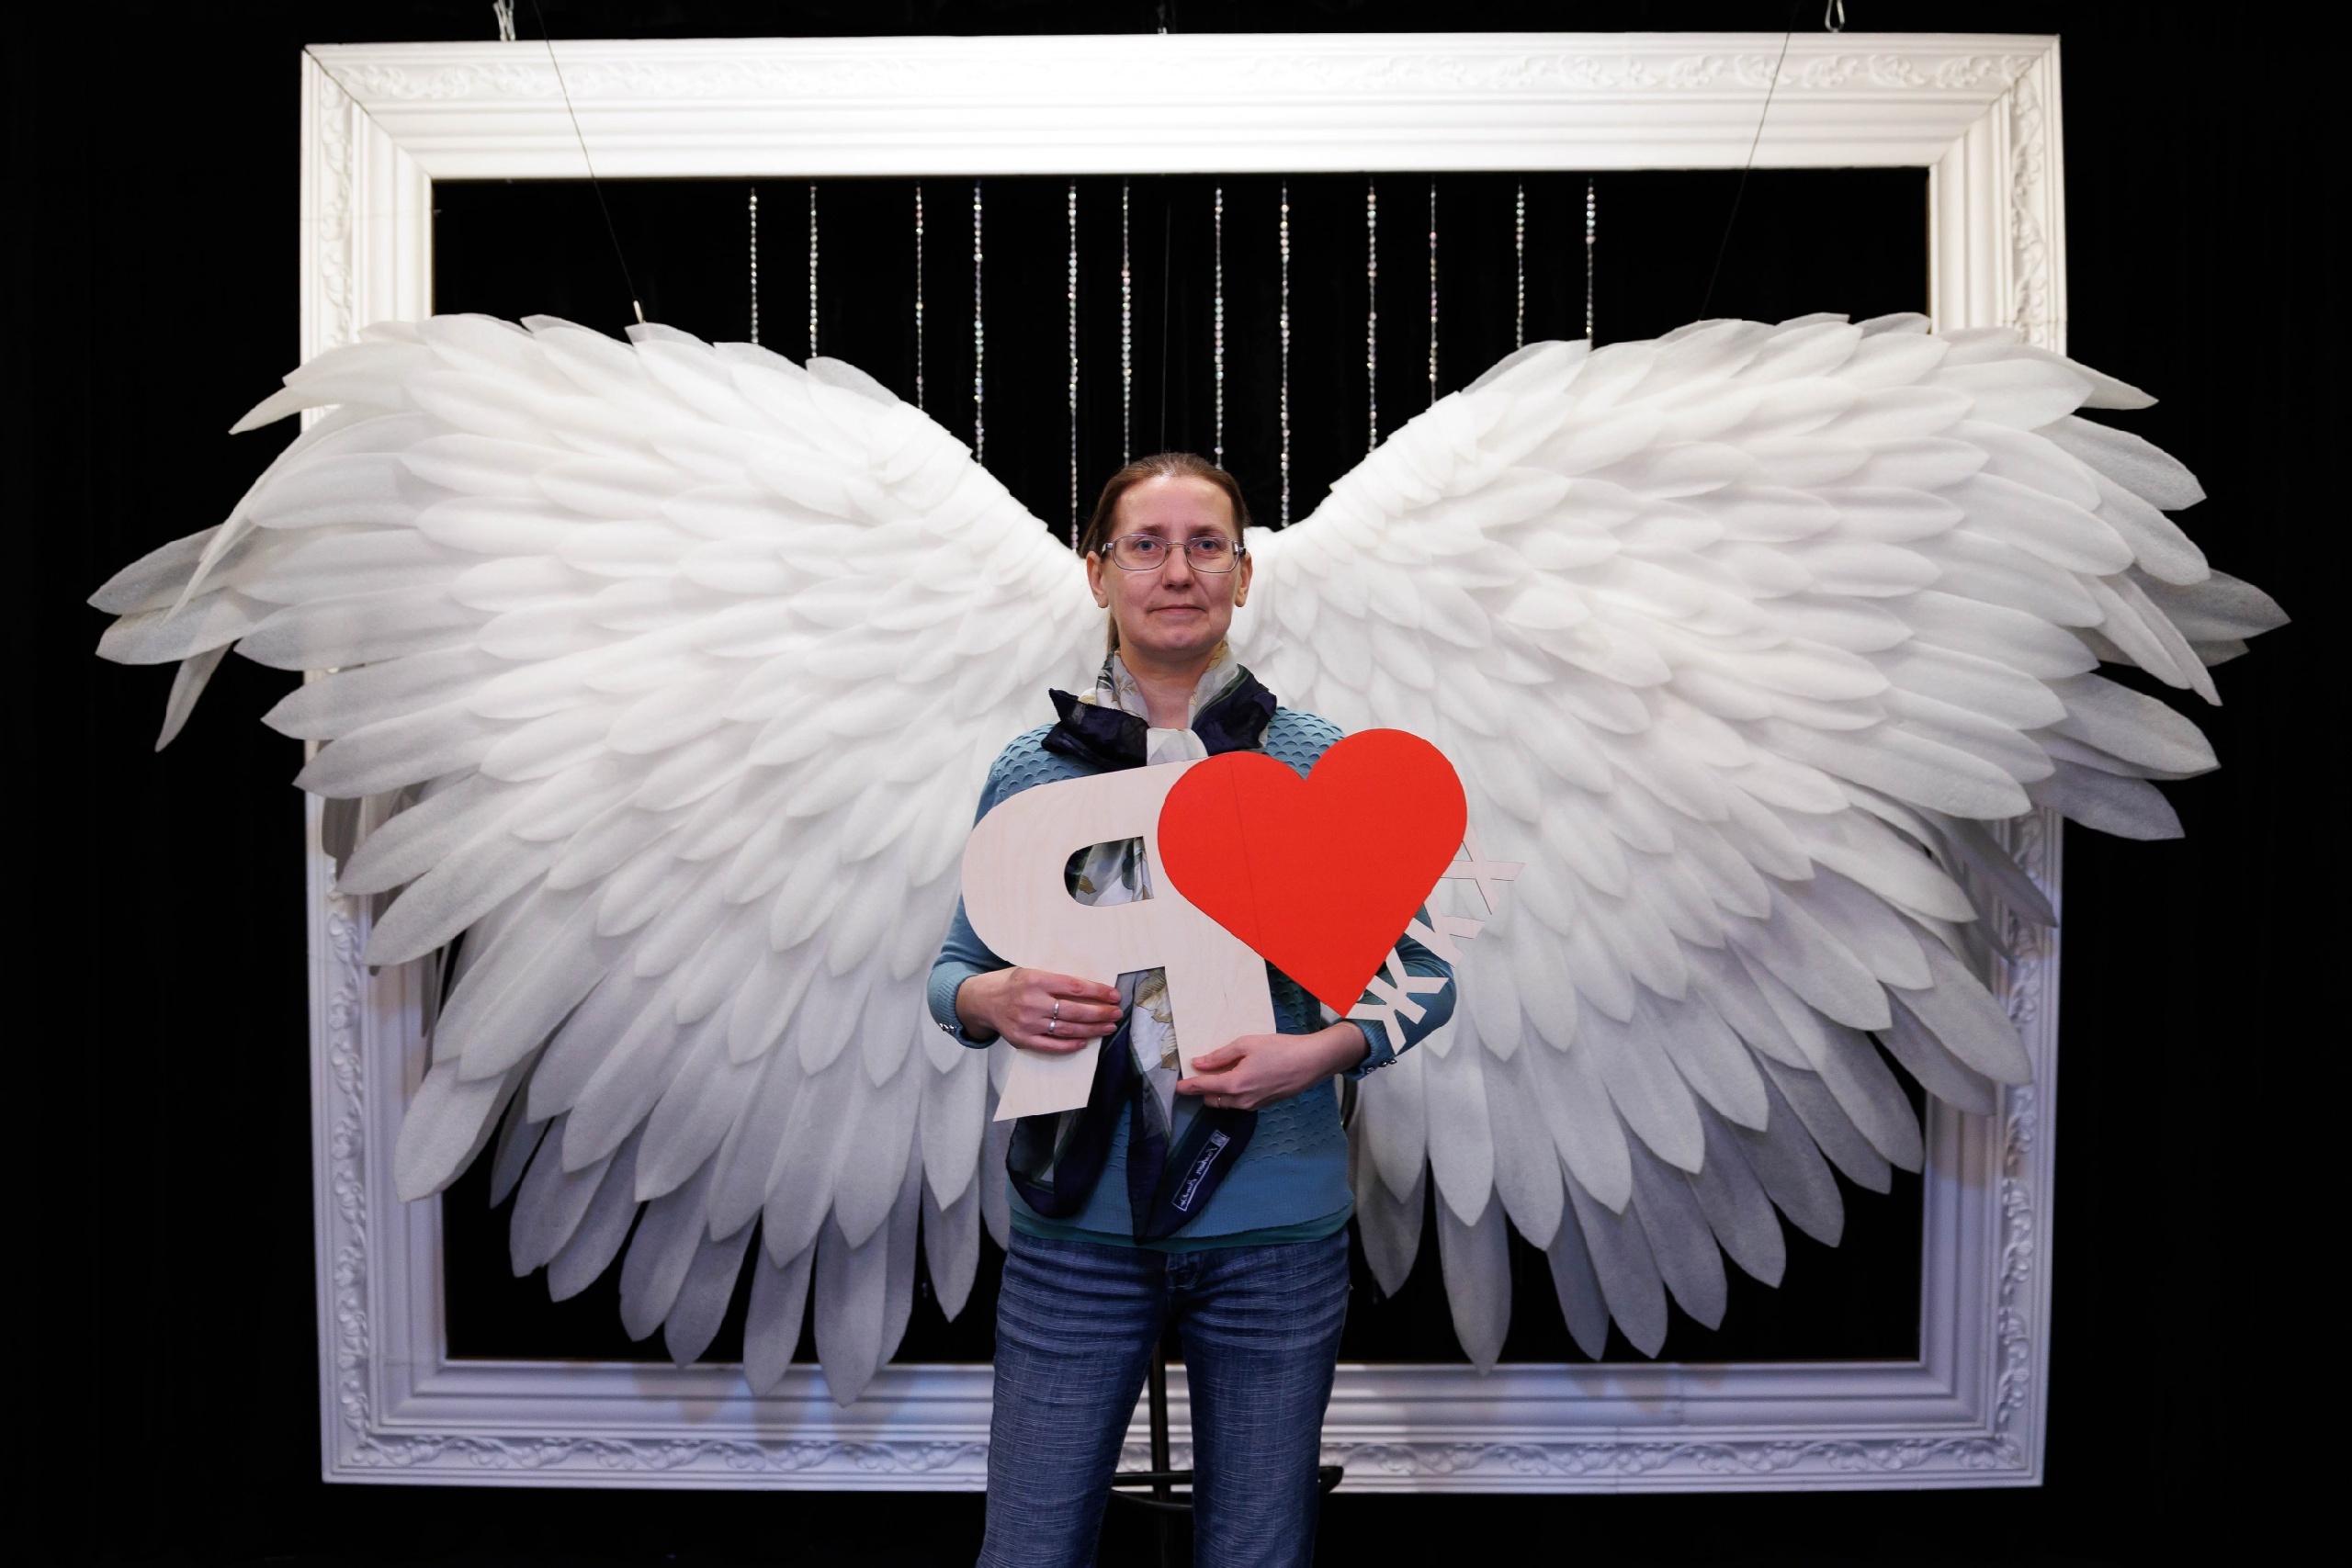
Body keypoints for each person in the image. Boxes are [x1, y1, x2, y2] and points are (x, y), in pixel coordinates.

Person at [930, 453, 1456, 1568]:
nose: (1177, 572)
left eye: (1206, 545)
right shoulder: (1032, 772)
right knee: (1028, 1546)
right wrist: (990, 996)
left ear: (1243, 575)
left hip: (1275, 1238)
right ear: (1098, 573)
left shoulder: (1315, 760)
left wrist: (1320, 1052)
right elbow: (953, 971)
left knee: (1257, 1549)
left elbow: (1423, 975)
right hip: (1073, 1236)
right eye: (1146, 546)